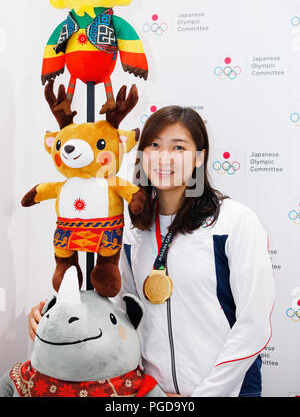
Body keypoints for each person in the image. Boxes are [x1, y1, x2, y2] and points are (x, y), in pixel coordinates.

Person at [28, 106, 274, 397]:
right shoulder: (132, 232)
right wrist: (57, 312)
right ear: (142, 155)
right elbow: (119, 311)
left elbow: (253, 325)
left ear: (199, 157)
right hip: (153, 393)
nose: (164, 157)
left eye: (178, 147)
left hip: (228, 391)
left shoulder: (233, 222)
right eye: (154, 145)